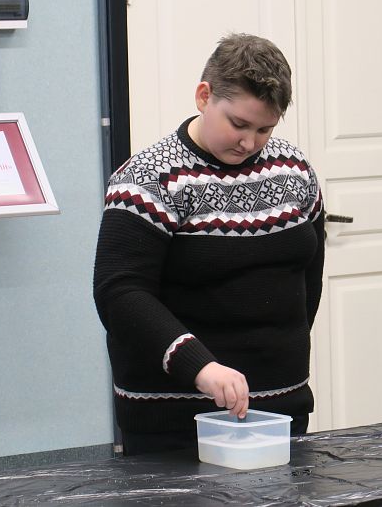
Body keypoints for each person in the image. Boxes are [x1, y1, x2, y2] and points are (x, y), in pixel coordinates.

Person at [93, 33, 324, 456]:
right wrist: (198, 366)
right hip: (175, 417)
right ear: (204, 96)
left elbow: (309, 275)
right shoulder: (148, 178)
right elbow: (120, 292)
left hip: (280, 410)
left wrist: (282, 357)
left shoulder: (295, 170)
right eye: (238, 124)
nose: (249, 142)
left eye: (265, 129)